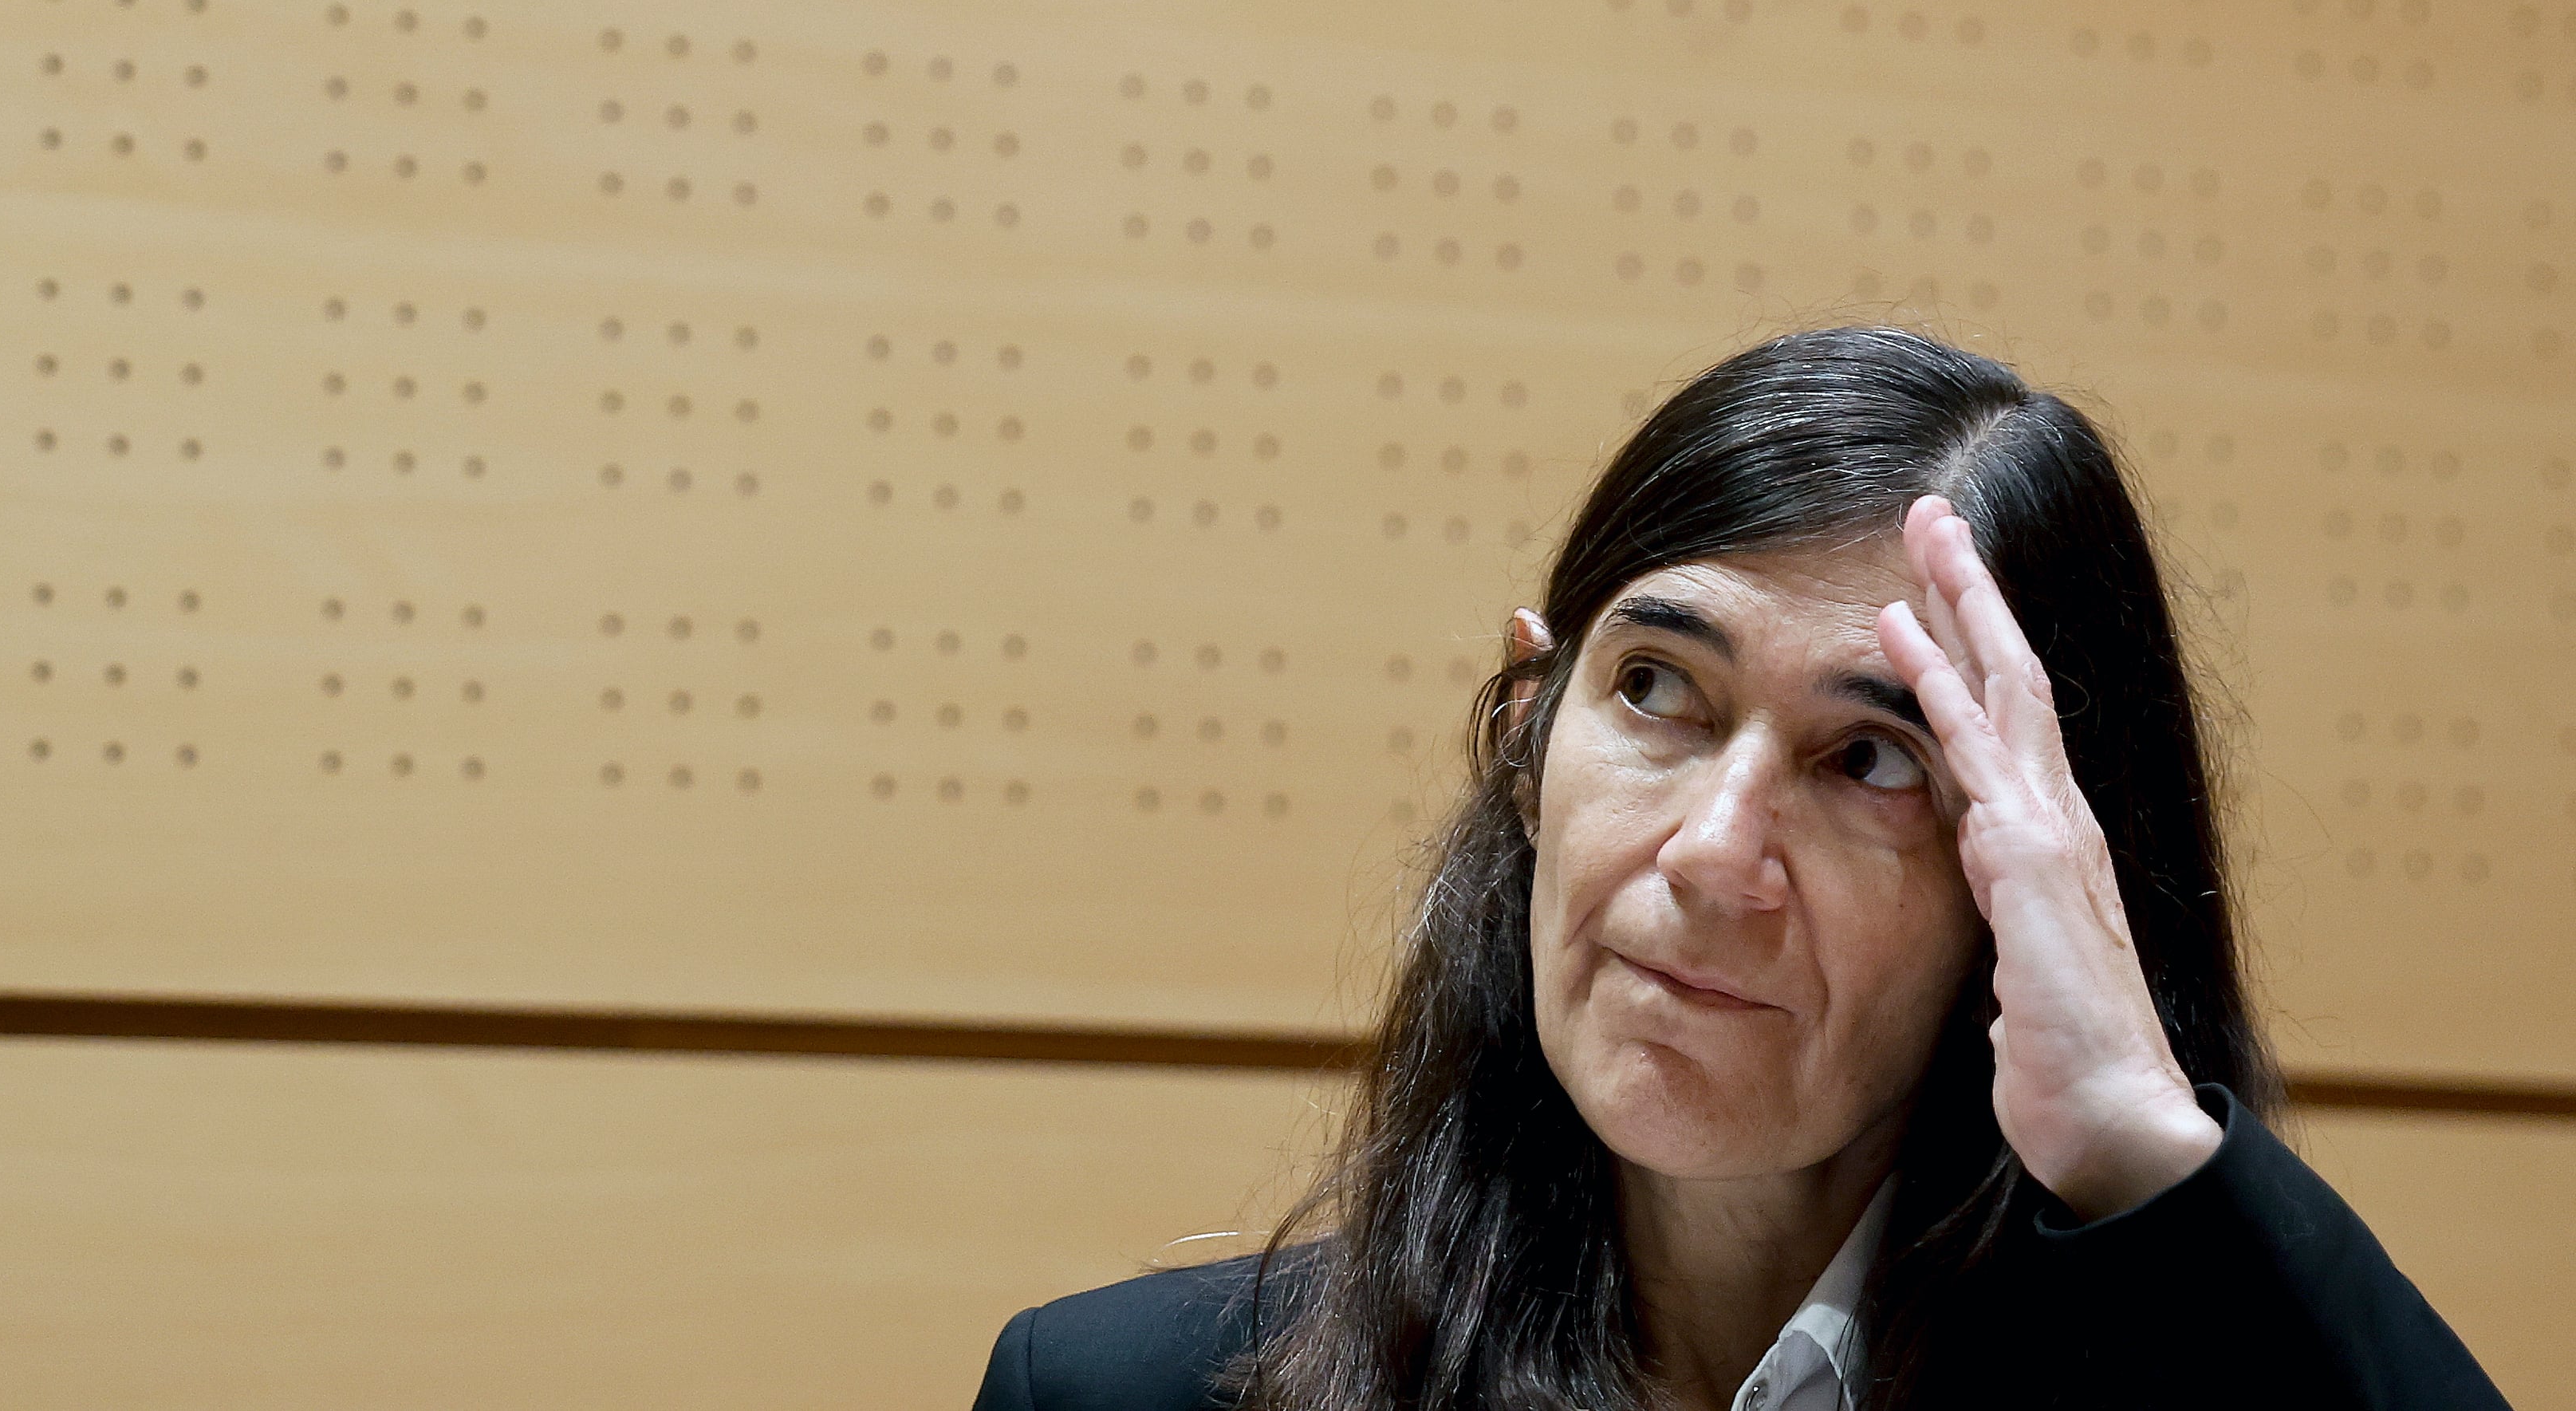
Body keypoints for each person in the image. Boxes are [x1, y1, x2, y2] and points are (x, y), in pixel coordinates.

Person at [974, 326, 2509, 1411]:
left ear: (2040, 872)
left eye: (1872, 762)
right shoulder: (1116, 1393)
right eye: (1654, 691)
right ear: (1525, 734)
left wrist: (2137, 1141)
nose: (1715, 856)